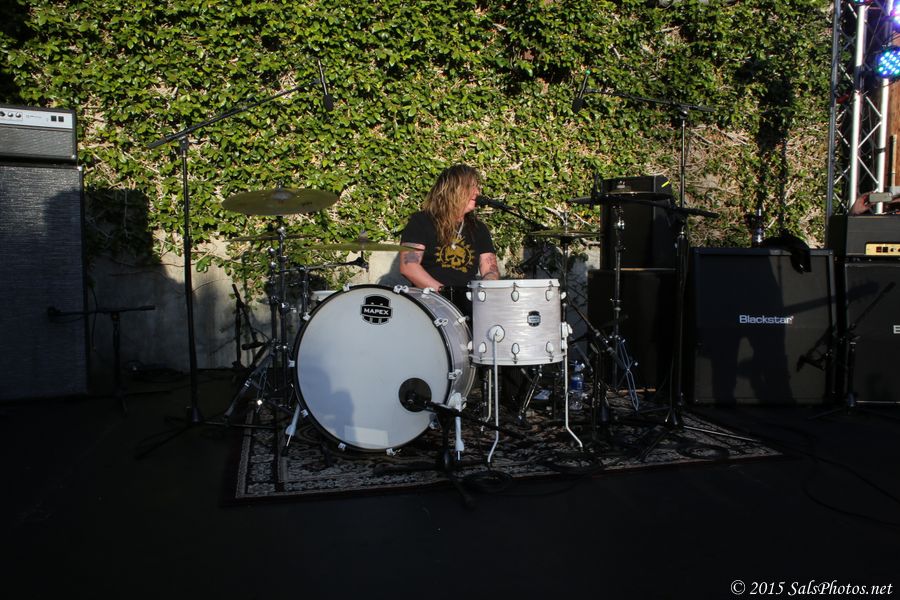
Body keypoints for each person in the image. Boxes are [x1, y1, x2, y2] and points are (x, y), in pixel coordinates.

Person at [399, 164, 500, 314]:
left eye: (477, 187)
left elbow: (490, 270)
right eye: (471, 187)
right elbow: (409, 266)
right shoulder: (421, 221)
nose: (477, 192)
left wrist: (485, 289)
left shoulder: (479, 229)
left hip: (467, 309)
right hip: (429, 306)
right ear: (453, 189)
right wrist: (445, 295)